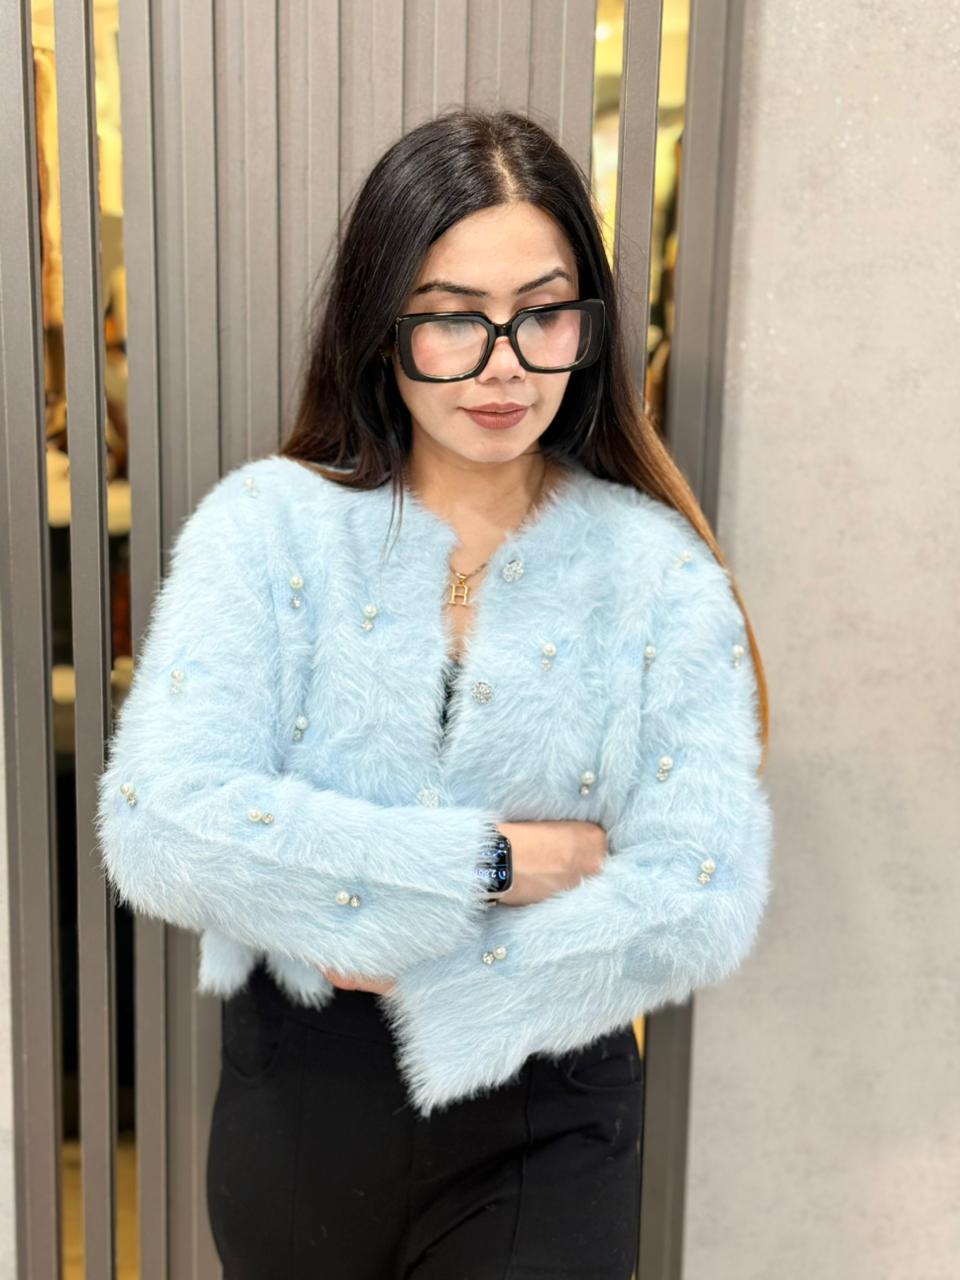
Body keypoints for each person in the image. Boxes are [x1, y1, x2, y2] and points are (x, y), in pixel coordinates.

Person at [96, 107, 773, 1279]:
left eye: (543, 313)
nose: (504, 363)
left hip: (545, 1109)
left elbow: (700, 892)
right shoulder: (267, 528)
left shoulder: (654, 569)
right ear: (381, 326)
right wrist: (499, 861)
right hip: (301, 1107)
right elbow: (161, 820)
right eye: (455, 317)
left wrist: (377, 921)